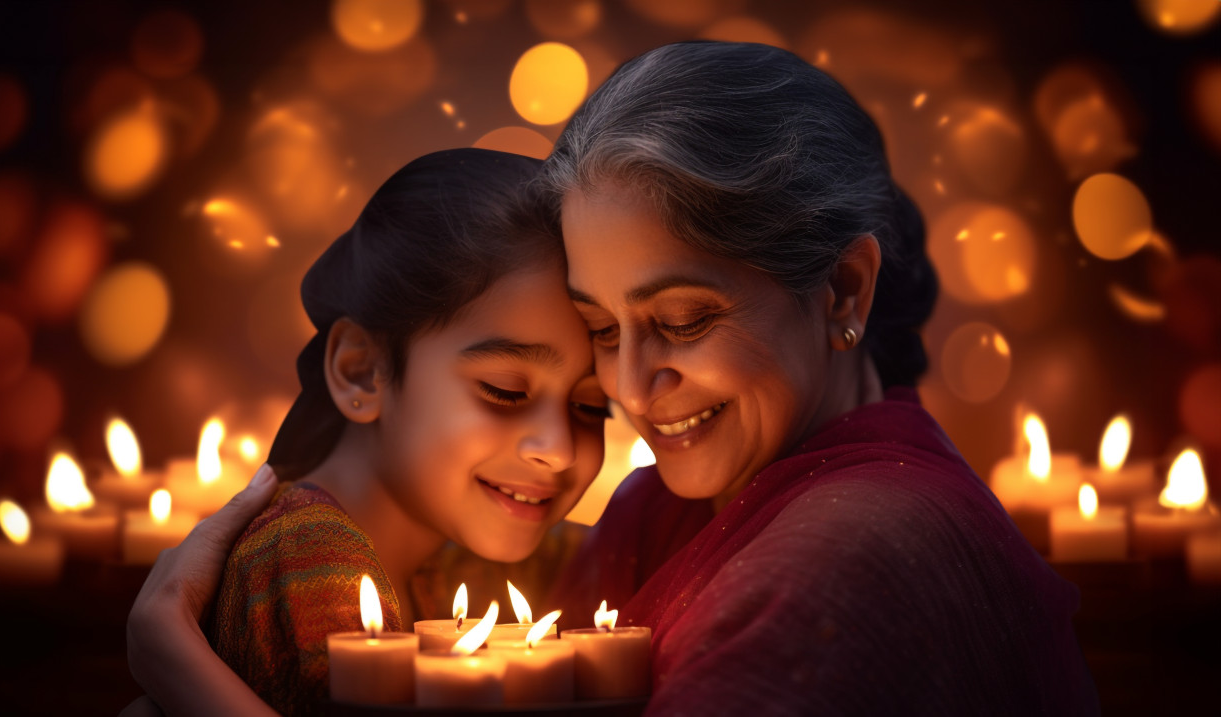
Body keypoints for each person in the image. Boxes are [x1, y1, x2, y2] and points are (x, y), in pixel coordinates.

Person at [128, 42, 1099, 715]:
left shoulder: (840, 559)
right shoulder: (689, 502)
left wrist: (175, 663)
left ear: (841, 289)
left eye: (679, 321)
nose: (631, 388)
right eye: (600, 329)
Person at [203, 148, 610, 715]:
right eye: (506, 391)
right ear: (361, 371)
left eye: (593, 408)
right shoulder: (311, 554)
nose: (561, 450)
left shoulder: (471, 549)